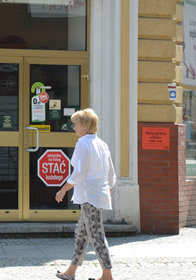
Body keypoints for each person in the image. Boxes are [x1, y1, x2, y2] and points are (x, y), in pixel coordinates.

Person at [55, 108, 116, 280]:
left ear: (84, 126)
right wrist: (108, 192)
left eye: (75, 124)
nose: (73, 127)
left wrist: (63, 190)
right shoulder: (102, 144)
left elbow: (79, 172)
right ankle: (71, 271)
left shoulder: (83, 143)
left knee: (96, 234)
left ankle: (107, 274)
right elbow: (111, 174)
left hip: (90, 195)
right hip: (97, 194)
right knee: (82, 233)